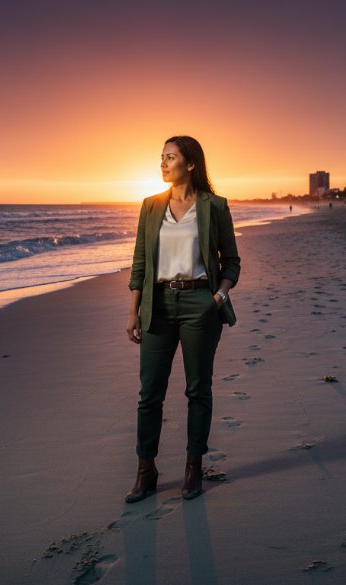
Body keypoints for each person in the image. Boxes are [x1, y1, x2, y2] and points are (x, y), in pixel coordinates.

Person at [124, 135, 241, 502]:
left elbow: (232, 262)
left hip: (199, 304)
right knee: (150, 394)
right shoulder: (150, 206)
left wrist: (217, 297)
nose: (162, 163)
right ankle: (146, 470)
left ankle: (193, 467)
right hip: (157, 305)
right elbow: (140, 263)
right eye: (160, 157)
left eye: (170, 157)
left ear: (190, 163)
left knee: (197, 389)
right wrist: (133, 310)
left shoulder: (214, 206)